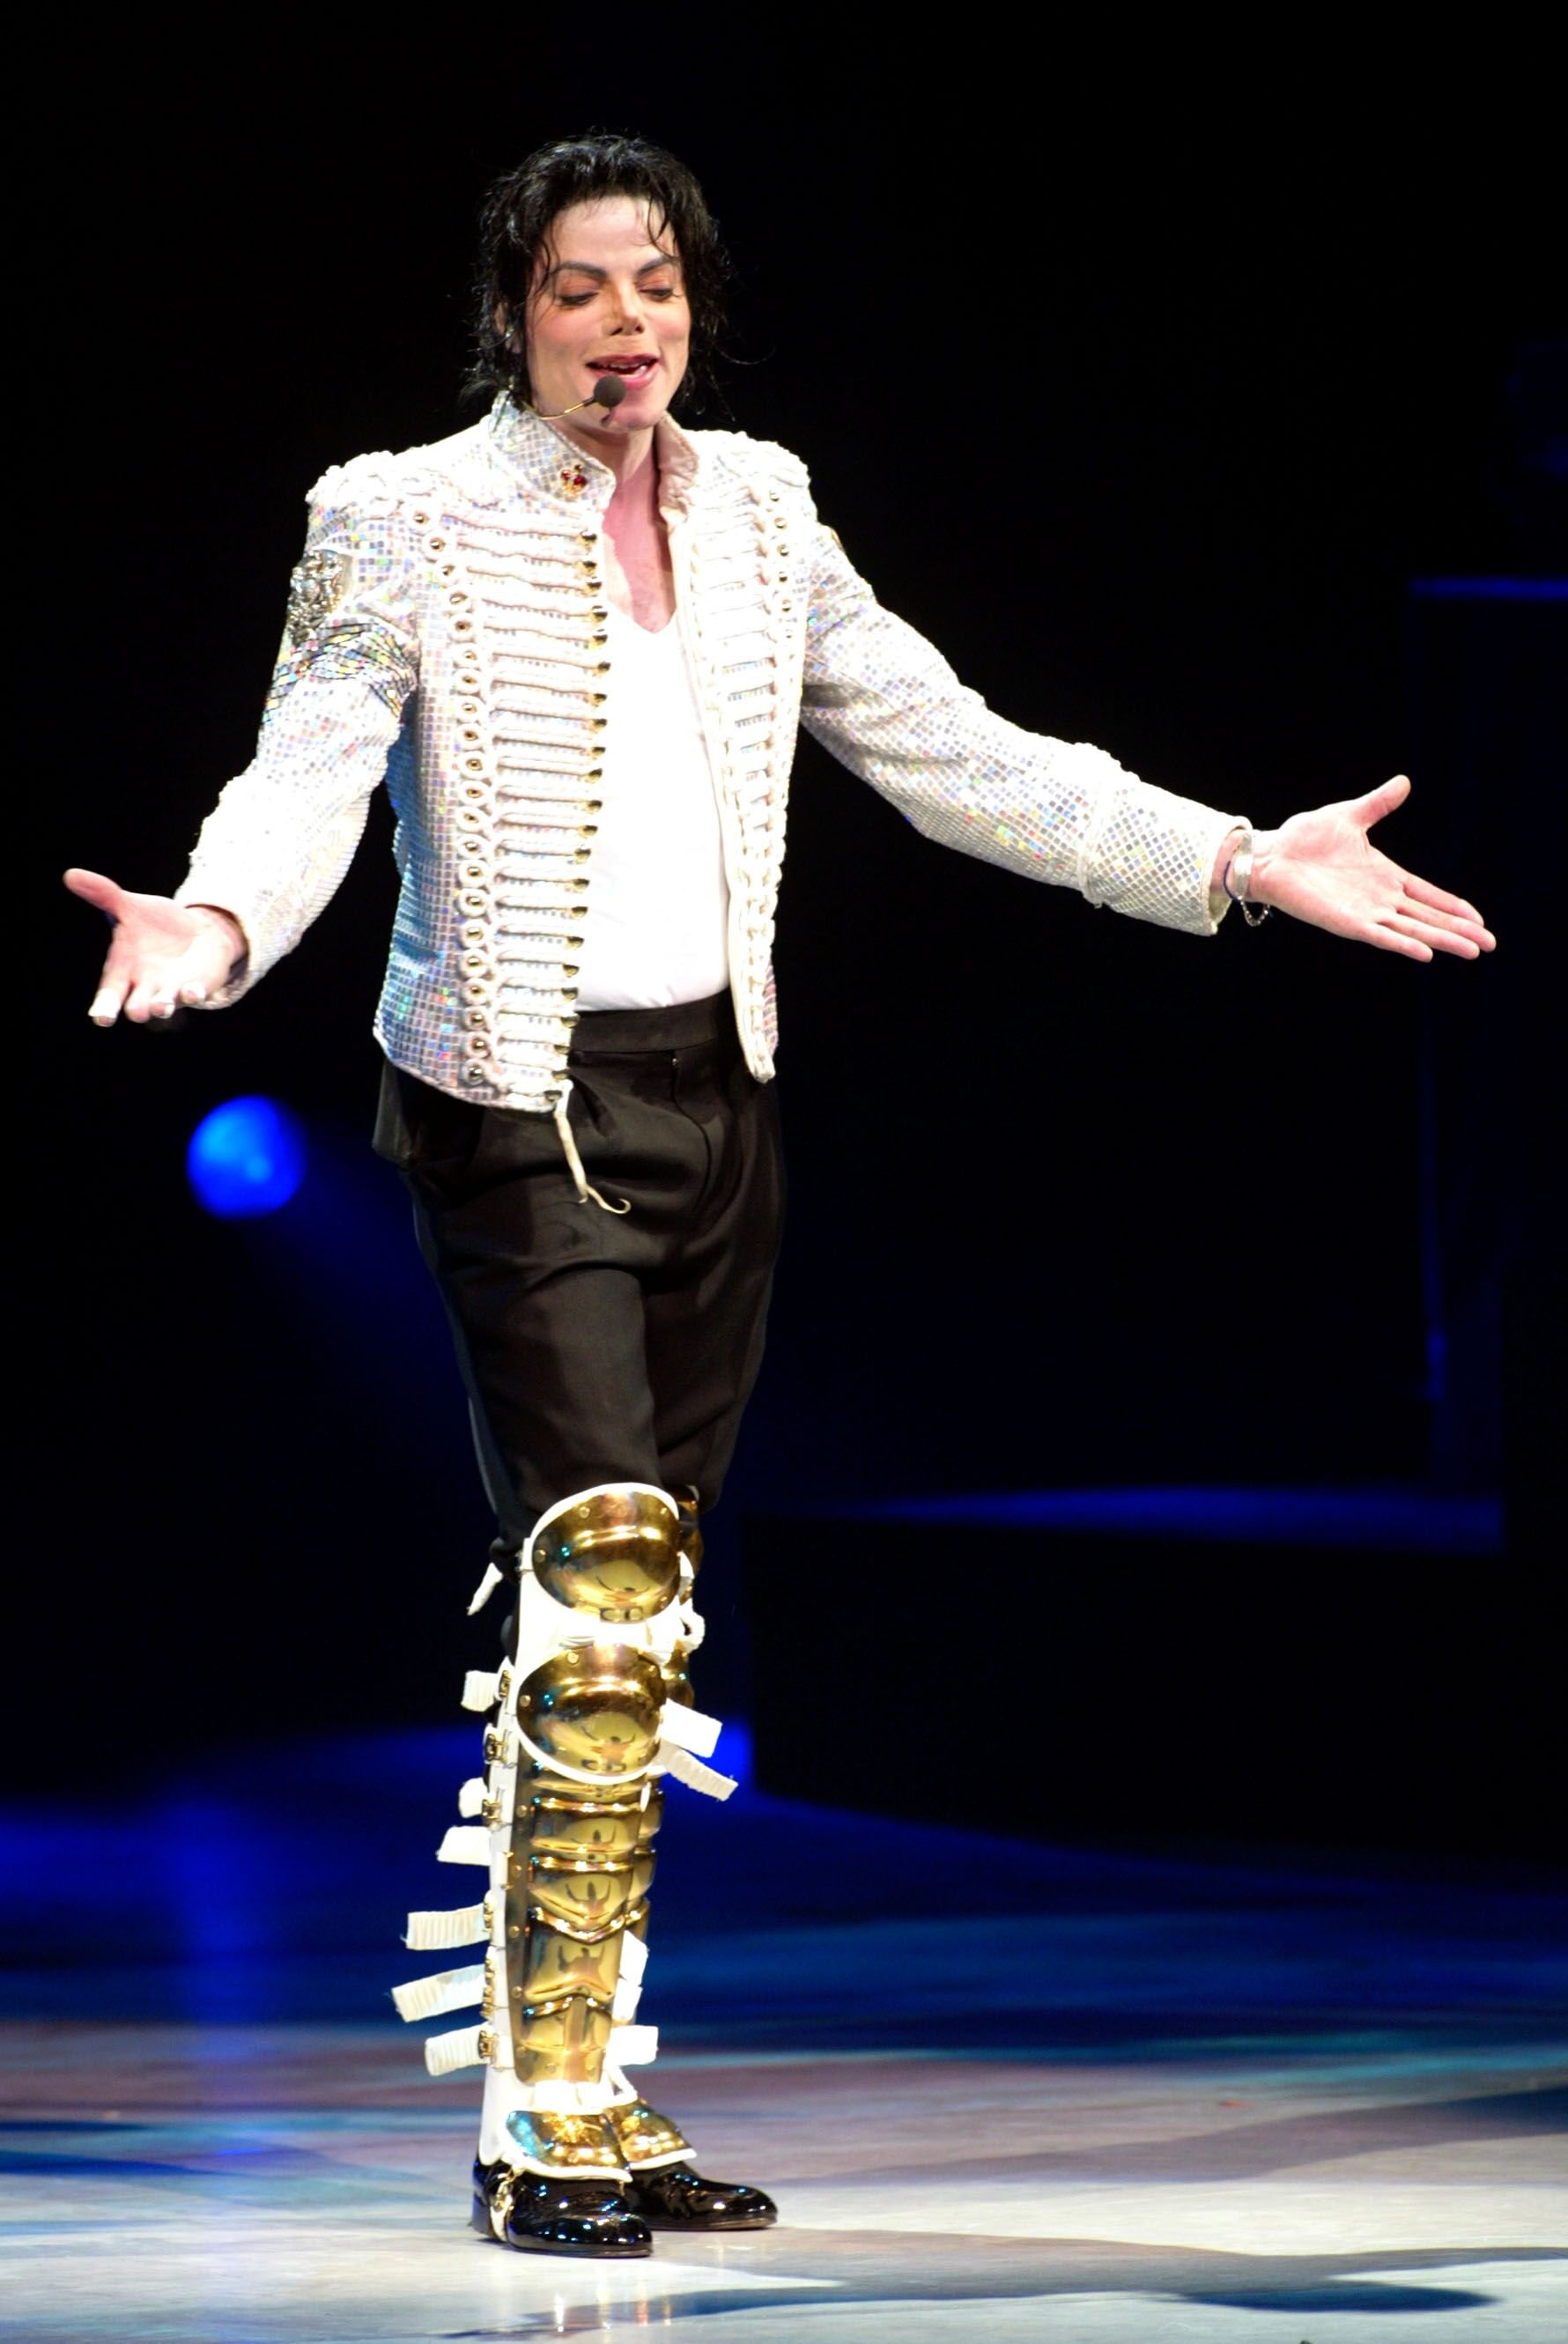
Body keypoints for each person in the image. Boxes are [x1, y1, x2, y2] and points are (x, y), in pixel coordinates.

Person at [64, 135, 1494, 2261]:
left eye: (650, 282)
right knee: (599, 1572)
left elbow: (954, 747)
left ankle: (597, 2084)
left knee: (645, 1621)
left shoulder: (761, 509)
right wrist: (216, 917)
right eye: (574, 287)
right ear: (509, 313)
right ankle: (540, 2110)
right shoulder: (398, 516)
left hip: (707, 1107)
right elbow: (310, 759)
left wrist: (1225, 858)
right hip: (508, 1106)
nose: (618, 320)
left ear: (693, 307)